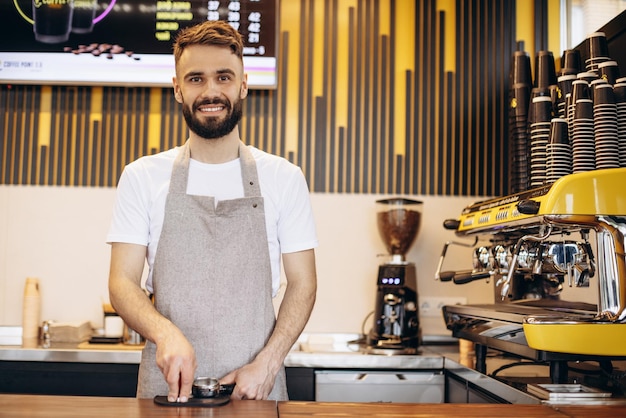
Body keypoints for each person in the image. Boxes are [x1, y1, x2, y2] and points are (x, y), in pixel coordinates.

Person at [106, 20, 318, 402]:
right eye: (195, 79)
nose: (211, 91)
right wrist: (165, 334)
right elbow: (122, 283)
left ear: (243, 84)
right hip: (167, 391)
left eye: (223, 77)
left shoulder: (284, 178)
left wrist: (269, 362)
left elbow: (303, 283)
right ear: (177, 88)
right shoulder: (141, 177)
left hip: (256, 390)